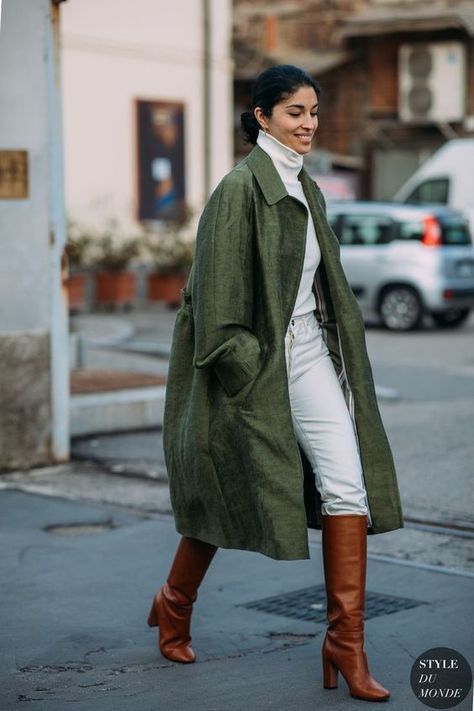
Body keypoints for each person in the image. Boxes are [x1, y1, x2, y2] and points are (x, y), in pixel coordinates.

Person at [148, 65, 404, 702]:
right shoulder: (239, 191)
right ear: (261, 117)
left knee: (348, 484)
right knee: (226, 487)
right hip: (257, 366)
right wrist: (250, 371)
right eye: (295, 112)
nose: (309, 123)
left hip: (309, 351)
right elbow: (216, 308)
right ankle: (174, 600)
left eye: (314, 111)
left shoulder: (304, 185)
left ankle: (345, 643)